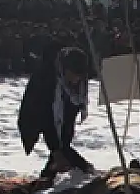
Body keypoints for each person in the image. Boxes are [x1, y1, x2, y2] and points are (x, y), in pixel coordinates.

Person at [17, 46, 95, 179]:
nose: (77, 78)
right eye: (74, 74)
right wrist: (56, 151)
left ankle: (59, 171)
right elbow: (46, 119)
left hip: (61, 110)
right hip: (36, 112)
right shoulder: (46, 79)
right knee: (58, 146)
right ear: (64, 68)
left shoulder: (79, 81)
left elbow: (71, 114)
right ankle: (55, 173)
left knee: (64, 141)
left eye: (80, 75)